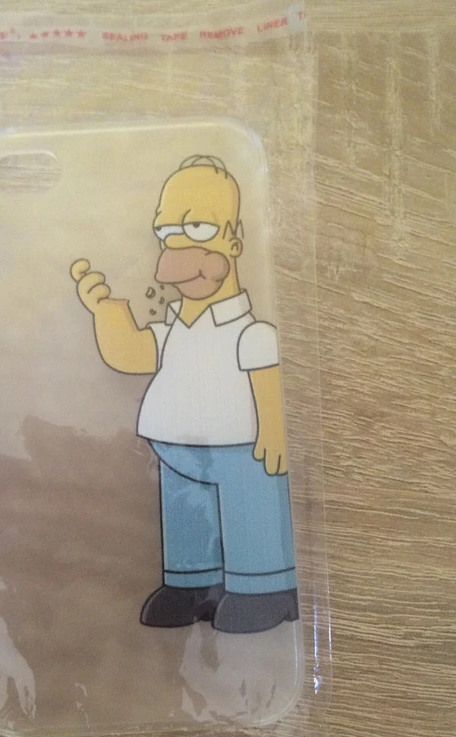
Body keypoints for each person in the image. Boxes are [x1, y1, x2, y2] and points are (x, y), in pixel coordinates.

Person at [70, 155, 297, 633]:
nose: (177, 246)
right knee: (184, 510)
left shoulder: (250, 333)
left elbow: (267, 384)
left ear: (234, 240)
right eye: (167, 231)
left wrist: (275, 433)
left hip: (241, 449)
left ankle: (265, 586)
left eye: (197, 227)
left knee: (250, 506)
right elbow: (131, 353)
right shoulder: (173, 327)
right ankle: (191, 583)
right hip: (175, 447)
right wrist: (104, 311)